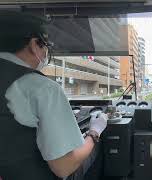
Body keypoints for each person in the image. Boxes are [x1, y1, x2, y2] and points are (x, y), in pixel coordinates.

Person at [0, 11, 108, 180]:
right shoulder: (42, 88)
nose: (45, 53)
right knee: (92, 151)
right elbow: (64, 166)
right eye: (46, 46)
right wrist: (94, 132)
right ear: (35, 44)